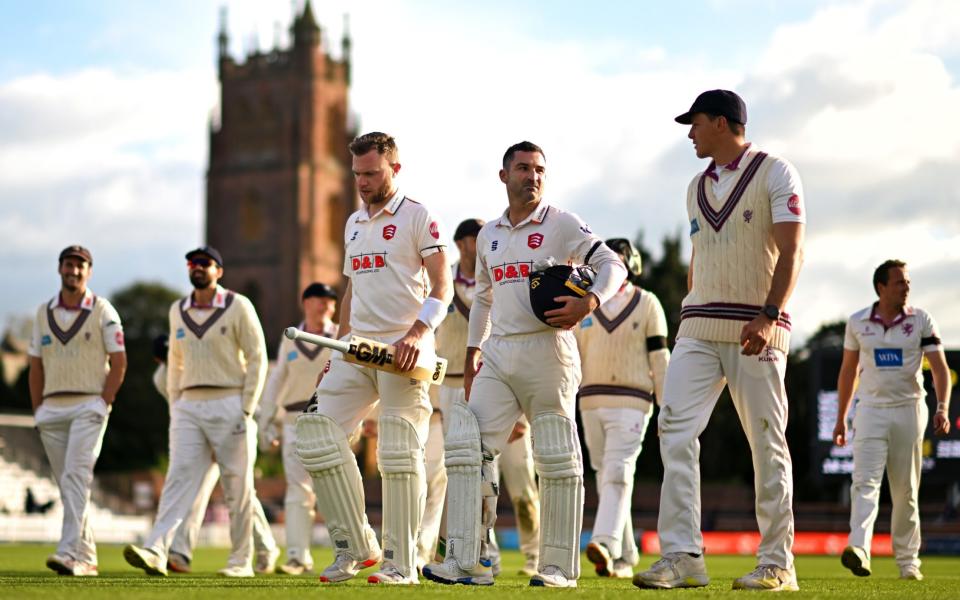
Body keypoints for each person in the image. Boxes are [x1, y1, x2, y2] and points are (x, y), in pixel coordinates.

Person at [424, 141, 627, 588]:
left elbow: (611, 263)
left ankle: (556, 567)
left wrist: (591, 300)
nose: (532, 176)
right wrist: (474, 352)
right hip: (498, 352)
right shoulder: (491, 234)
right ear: (504, 176)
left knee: (555, 455)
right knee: (467, 447)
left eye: (539, 169)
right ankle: (468, 560)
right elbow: (483, 297)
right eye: (522, 168)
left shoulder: (562, 223)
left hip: (549, 349)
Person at [634, 90, 805, 592]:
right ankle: (684, 556)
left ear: (722, 123)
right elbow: (700, 256)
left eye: (696, 123)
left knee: (766, 440)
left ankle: (777, 562)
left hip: (758, 327)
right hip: (699, 326)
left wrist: (769, 314)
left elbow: (793, 250)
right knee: (674, 428)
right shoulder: (694, 187)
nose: (690, 133)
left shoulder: (776, 172)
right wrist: (692, 303)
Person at [294, 131, 452, 585]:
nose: (362, 182)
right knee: (317, 435)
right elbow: (351, 291)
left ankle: (401, 563)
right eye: (357, 174)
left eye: (372, 173)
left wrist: (419, 333)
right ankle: (356, 545)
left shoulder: (419, 216)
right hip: (356, 349)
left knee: (400, 452)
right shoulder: (353, 222)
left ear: (394, 169)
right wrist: (338, 348)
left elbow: (442, 285)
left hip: (405, 351)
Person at [125, 245, 269, 577]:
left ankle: (240, 561)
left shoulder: (237, 306)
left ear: (218, 271)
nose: (198, 268)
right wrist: (177, 405)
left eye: (205, 263)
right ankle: (156, 551)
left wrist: (247, 408)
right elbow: (175, 362)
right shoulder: (178, 309)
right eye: (192, 263)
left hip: (230, 401)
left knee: (238, 487)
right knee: (178, 480)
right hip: (189, 404)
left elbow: (257, 357)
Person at [418, 218, 541, 577]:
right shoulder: (441, 286)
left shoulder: (503, 281)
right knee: (460, 475)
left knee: (520, 482)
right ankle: (476, 553)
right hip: (453, 386)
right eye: (471, 239)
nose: (477, 245)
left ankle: (534, 556)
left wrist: (520, 413)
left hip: (503, 385)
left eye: (480, 238)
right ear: (459, 244)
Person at [833, 260, 952, 581]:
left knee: (906, 490)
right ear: (881, 287)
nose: (906, 287)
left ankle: (908, 562)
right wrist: (841, 417)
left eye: (908, 282)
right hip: (870, 411)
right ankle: (858, 548)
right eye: (899, 282)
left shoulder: (922, 319)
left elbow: (940, 369)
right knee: (864, 483)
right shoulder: (857, 322)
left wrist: (942, 407)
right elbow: (848, 372)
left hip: (909, 409)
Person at [28, 245, 127, 577]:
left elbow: (119, 362)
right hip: (52, 408)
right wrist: (38, 409)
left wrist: (104, 401)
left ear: (89, 272)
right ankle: (86, 558)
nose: (74, 271)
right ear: (59, 269)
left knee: (75, 476)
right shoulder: (43, 313)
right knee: (69, 485)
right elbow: (35, 366)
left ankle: (69, 551)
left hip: (89, 404)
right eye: (69, 265)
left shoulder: (102, 310)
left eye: (80, 266)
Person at [575, 238, 669, 579]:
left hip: (632, 402)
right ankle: (627, 556)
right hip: (590, 401)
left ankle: (605, 542)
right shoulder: (584, 305)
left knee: (617, 471)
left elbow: (660, 360)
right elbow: (572, 357)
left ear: (631, 264)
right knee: (606, 475)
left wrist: (666, 407)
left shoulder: (648, 303)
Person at [150, 334, 279, 575]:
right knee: (194, 492)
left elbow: (246, 396)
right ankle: (180, 552)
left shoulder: (205, 365)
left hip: (234, 427)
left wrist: (260, 424)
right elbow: (181, 411)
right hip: (202, 437)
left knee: (240, 494)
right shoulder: (162, 378)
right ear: (160, 360)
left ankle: (266, 548)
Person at [257, 282, 339, 575]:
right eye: (320, 300)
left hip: (331, 419)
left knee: (334, 490)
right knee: (297, 490)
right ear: (306, 302)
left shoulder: (341, 335)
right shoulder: (291, 338)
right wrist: (266, 419)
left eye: (330, 301)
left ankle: (345, 555)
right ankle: (297, 557)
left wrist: (369, 420)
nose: (326, 306)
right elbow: (277, 379)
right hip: (293, 420)